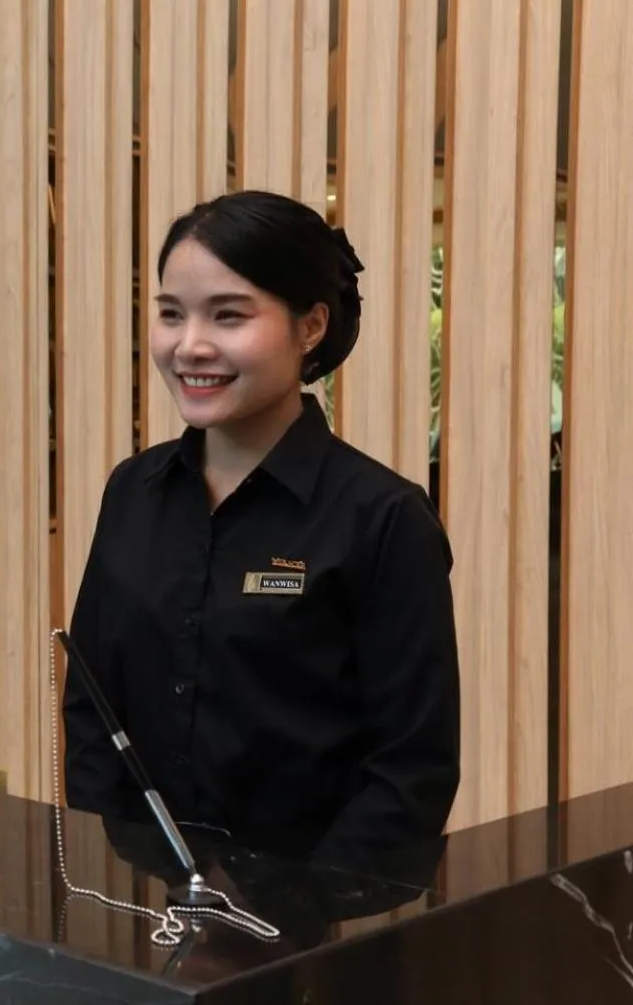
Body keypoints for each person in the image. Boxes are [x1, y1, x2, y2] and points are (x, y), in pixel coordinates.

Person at [63, 189, 460, 873]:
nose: (190, 345)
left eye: (229, 316)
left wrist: (290, 918)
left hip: (313, 941)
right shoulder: (132, 491)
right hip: (142, 914)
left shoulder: (383, 517)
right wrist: (120, 874)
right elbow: (92, 714)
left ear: (309, 327)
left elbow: (410, 772)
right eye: (170, 314)